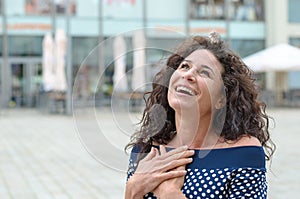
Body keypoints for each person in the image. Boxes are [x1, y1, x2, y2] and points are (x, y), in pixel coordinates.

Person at [125, 32, 275, 199]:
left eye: (204, 72)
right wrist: (133, 188)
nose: (188, 75)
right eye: (184, 66)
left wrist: (170, 194)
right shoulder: (147, 149)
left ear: (221, 100)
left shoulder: (243, 152)